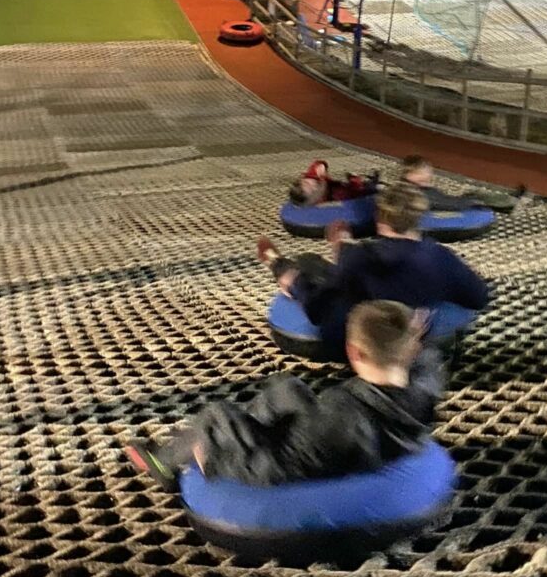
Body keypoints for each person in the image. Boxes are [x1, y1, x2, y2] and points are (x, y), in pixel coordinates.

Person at [124, 301, 444, 492]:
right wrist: (411, 332)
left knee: (216, 415)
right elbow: (426, 355)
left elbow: (280, 468)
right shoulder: (427, 381)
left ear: (353, 352)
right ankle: (234, 429)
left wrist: (218, 462)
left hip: (325, 449)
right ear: (411, 350)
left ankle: (164, 464)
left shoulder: (340, 411)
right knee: (288, 389)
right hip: (372, 429)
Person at [261, 182, 489, 359]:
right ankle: (292, 266)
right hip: (410, 317)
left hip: (359, 337)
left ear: (379, 220)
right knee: (322, 266)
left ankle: (279, 265)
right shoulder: (441, 257)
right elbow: (478, 297)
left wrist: (297, 281)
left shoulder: (359, 257)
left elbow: (317, 307)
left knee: (307, 264)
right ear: (419, 218)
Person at [400, 155, 525, 211]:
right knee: (476, 197)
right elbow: (444, 204)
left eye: (428, 172)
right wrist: (468, 203)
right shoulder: (416, 193)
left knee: (474, 193)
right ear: (408, 175)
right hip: (448, 205)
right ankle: (509, 202)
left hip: (447, 200)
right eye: (421, 173)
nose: (427, 176)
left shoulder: (418, 187)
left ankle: (507, 202)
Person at [288, 159, 381, 206]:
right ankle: (370, 188)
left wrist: (321, 166)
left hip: (337, 185)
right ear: (313, 201)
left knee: (352, 185)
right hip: (340, 194)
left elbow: (317, 164)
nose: (314, 185)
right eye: (313, 191)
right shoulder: (324, 201)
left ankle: (360, 183)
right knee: (356, 192)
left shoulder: (313, 177)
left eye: (307, 183)